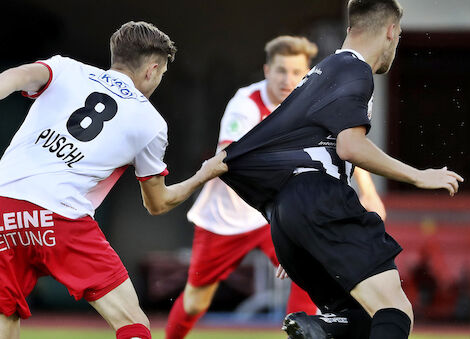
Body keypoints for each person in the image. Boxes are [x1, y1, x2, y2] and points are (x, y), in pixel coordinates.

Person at [0, 21, 227, 339]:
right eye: (162, 73)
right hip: (59, 215)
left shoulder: (66, 69)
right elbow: (158, 202)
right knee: (132, 323)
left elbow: (19, 76)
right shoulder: (151, 123)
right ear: (153, 69)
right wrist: (205, 174)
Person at [218, 1, 463, 338]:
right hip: (320, 201)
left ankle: (321, 325)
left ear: (350, 28)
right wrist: (417, 175)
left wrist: (295, 229)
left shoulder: (322, 71)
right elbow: (350, 147)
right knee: (395, 309)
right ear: (391, 32)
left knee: (359, 316)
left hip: (287, 213)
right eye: (400, 35)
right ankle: (322, 324)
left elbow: (298, 144)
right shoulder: (356, 69)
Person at [165, 35, 387, 339]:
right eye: (281, 71)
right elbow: (229, 163)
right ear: (267, 70)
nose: (288, 79)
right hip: (227, 215)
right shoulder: (245, 103)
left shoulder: (317, 100)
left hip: (279, 210)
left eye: (297, 72)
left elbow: (346, 144)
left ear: (308, 73)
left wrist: (369, 192)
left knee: (309, 277)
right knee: (195, 301)